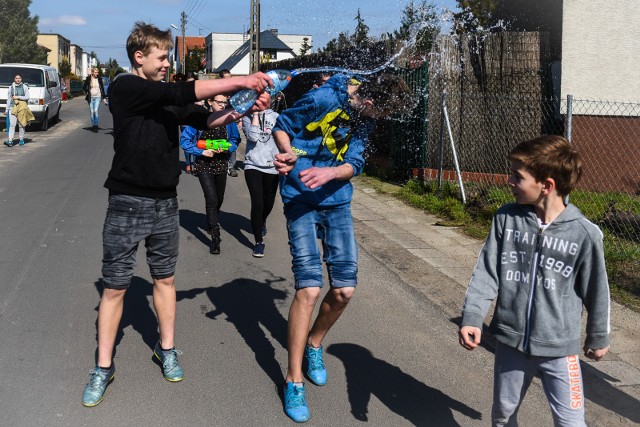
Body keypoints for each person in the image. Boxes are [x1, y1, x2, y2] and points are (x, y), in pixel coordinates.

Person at [81, 21, 272, 407]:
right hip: (126, 202)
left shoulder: (169, 96)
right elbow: (186, 89)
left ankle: (166, 349)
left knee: (164, 282)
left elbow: (207, 121)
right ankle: (103, 367)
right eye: (162, 56)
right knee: (116, 287)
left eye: (168, 57)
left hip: (166, 203)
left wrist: (244, 109)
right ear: (139, 57)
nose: (168, 63)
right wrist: (239, 82)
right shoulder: (125, 87)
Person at [273, 72, 411, 422]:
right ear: (368, 98)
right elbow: (282, 124)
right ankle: (294, 380)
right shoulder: (323, 99)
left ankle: (314, 344)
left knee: (345, 290)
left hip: (336, 201)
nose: (376, 122)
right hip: (300, 199)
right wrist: (288, 154)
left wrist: (331, 174)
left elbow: (357, 161)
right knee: (309, 288)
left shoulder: (366, 116)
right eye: (378, 114)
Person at [458, 135, 611, 426]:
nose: (509, 181)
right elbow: (487, 272)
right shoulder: (506, 219)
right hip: (510, 341)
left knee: (570, 421)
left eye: (518, 176)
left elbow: (597, 289)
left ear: (546, 186)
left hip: (560, 349)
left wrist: (598, 336)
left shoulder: (584, 234)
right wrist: (472, 317)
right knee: (503, 414)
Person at [180, 95, 240, 254]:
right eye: (219, 102)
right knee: (211, 198)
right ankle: (215, 237)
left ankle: (210, 220)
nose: (222, 105)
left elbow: (235, 139)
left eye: (224, 102)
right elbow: (184, 141)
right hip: (203, 164)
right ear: (209, 102)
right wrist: (201, 151)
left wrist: (228, 148)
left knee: (219, 198)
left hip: (221, 163)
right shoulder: (199, 119)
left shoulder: (229, 120)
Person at [241, 98, 280, 257]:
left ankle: (262, 220)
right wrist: (255, 115)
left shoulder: (277, 117)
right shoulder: (246, 117)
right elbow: (253, 137)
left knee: (268, 202)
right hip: (253, 165)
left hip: (272, 166)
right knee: (257, 202)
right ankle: (258, 242)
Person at [218, 68, 241, 177]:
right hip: (219, 118)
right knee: (220, 140)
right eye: (226, 78)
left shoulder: (234, 90)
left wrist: (240, 119)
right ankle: (220, 163)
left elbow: (239, 105)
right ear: (221, 78)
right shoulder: (217, 90)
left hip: (231, 118)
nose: (229, 80)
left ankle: (231, 166)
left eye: (230, 78)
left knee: (233, 139)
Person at [4, 73, 31, 147]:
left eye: (19, 78)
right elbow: (9, 99)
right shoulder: (10, 87)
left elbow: (27, 97)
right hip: (12, 108)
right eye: (16, 78)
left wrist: (18, 97)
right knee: (12, 125)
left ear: (21, 79)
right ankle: (10, 140)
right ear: (14, 79)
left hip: (21, 108)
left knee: (21, 124)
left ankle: (21, 139)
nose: (18, 79)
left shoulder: (25, 87)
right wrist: (7, 109)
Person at [83, 67, 108, 132]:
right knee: (92, 111)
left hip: (98, 97)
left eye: (97, 72)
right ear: (92, 73)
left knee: (95, 110)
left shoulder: (99, 79)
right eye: (96, 72)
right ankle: (93, 125)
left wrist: (104, 98)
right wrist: (87, 92)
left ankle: (96, 125)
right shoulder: (88, 79)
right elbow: (84, 87)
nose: (97, 73)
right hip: (91, 97)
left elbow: (102, 88)